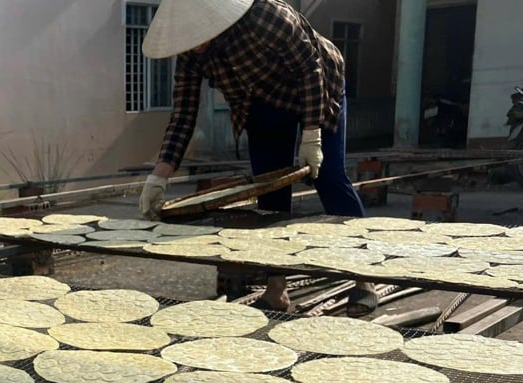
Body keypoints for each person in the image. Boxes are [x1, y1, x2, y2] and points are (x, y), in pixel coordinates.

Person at [138, 0, 379, 316]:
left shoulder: (268, 17)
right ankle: (277, 290)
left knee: (330, 179)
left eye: (197, 38)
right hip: (262, 103)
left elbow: (310, 69)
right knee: (270, 195)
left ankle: (364, 280)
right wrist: (159, 176)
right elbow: (184, 114)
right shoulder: (192, 54)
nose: (193, 48)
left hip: (319, 86)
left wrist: (311, 136)